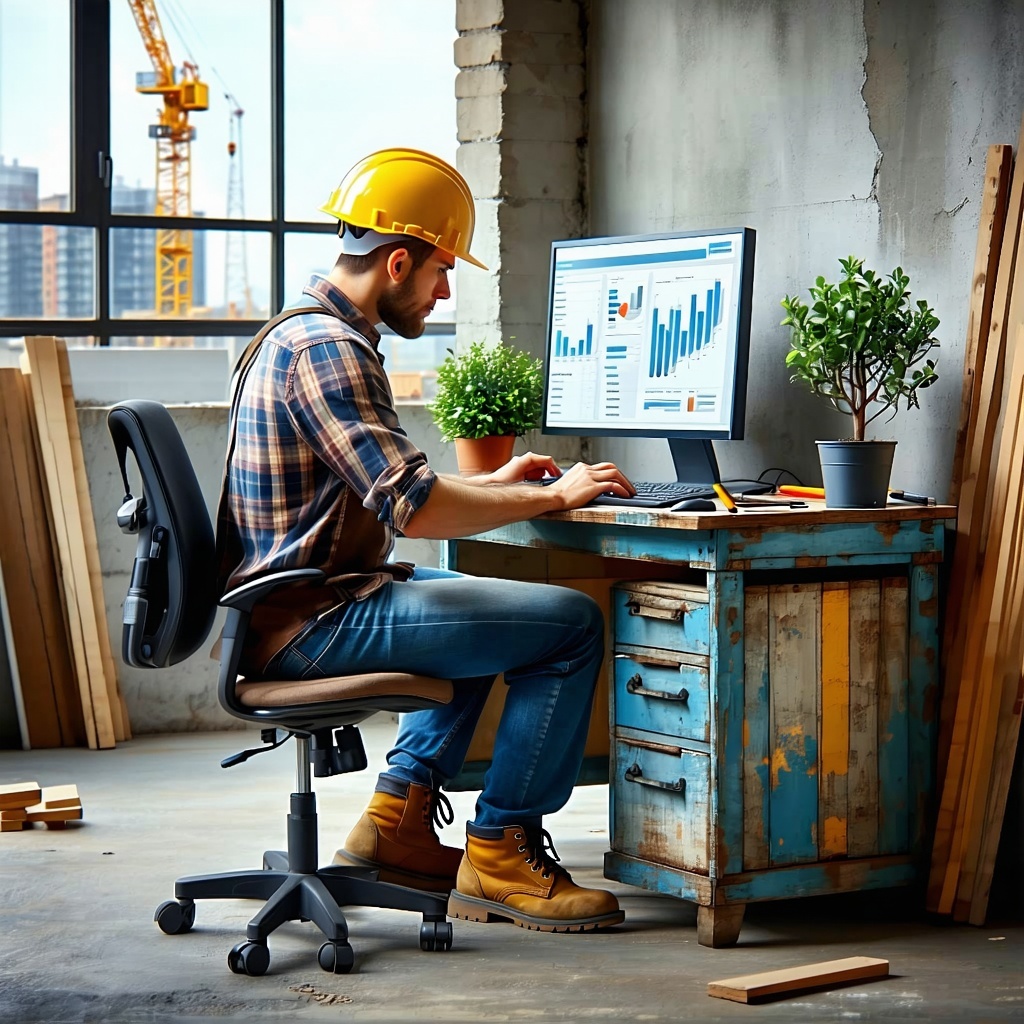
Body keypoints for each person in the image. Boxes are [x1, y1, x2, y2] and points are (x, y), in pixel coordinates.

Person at [216, 147, 636, 933]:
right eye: (441, 271)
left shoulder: (305, 333)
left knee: (484, 612)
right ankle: (502, 851)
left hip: (308, 606)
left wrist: (506, 482)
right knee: (571, 626)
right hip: (310, 624)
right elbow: (413, 507)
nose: (445, 292)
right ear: (398, 260)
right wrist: (548, 495)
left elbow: (398, 485)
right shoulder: (328, 351)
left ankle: (394, 825)